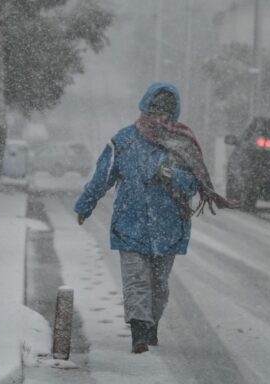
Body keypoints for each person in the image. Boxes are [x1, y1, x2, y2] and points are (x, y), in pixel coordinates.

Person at [74, 82, 237, 353]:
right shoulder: (124, 141)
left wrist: (173, 176)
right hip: (130, 224)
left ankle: (151, 326)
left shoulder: (182, 144)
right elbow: (103, 176)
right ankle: (139, 330)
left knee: (158, 286)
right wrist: (85, 205)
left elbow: (195, 184)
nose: (160, 117)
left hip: (169, 226)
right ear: (145, 108)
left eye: (166, 112)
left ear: (174, 114)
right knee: (136, 280)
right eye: (155, 109)